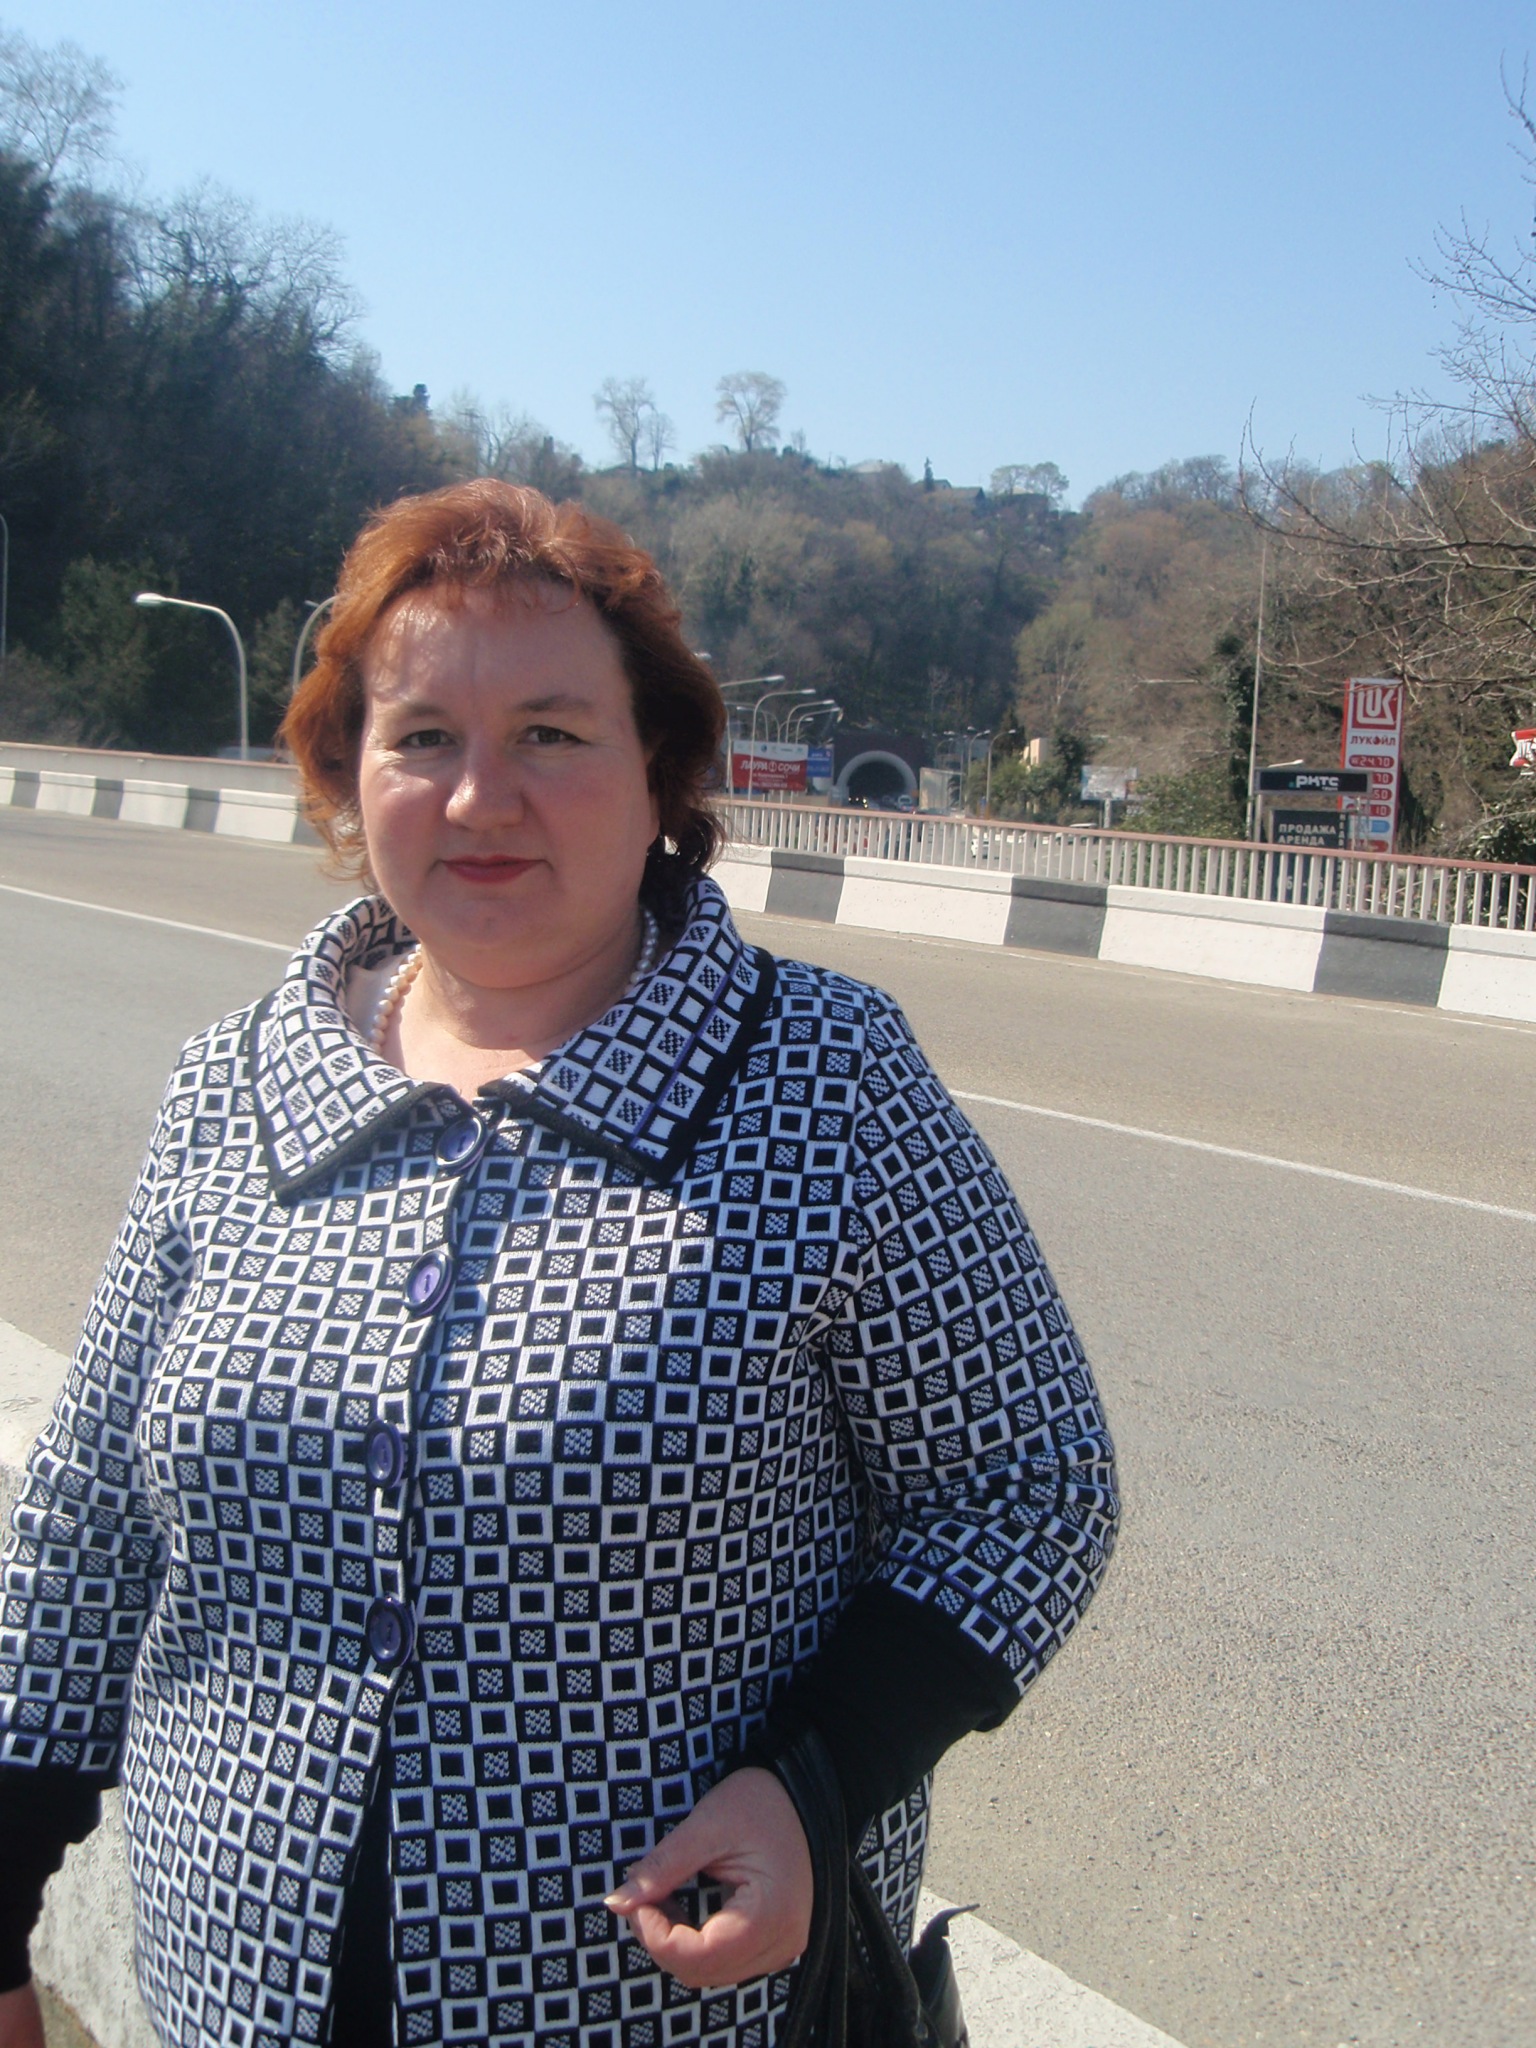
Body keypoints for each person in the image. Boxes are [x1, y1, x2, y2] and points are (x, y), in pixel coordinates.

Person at [0, 479, 1119, 2048]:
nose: (480, 798)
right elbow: (88, 1522)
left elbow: (1027, 1483)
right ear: (349, 775)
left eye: (550, 733)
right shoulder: (234, 1084)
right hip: (231, 1985)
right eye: (423, 738)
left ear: (659, 770)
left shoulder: (825, 1078)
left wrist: (818, 1783)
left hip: (663, 2004)